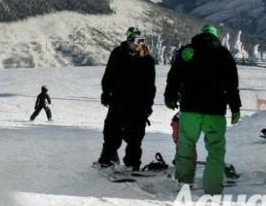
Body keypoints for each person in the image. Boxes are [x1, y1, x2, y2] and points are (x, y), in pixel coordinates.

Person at [164, 23, 241, 194]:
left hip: (190, 109)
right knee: (215, 149)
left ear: (201, 35)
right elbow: (231, 85)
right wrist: (235, 108)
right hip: (215, 111)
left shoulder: (187, 52)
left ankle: (184, 181)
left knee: (186, 145)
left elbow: (174, 77)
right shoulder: (223, 54)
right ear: (215, 37)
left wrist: (169, 97)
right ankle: (212, 188)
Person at [93, 27, 156, 172]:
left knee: (135, 136)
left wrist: (148, 106)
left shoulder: (147, 60)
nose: (138, 44)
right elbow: (108, 74)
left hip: (138, 104)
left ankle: (132, 164)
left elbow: (150, 86)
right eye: (135, 40)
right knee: (111, 131)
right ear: (128, 40)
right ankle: (106, 159)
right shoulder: (117, 54)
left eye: (141, 40)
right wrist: (106, 93)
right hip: (118, 101)